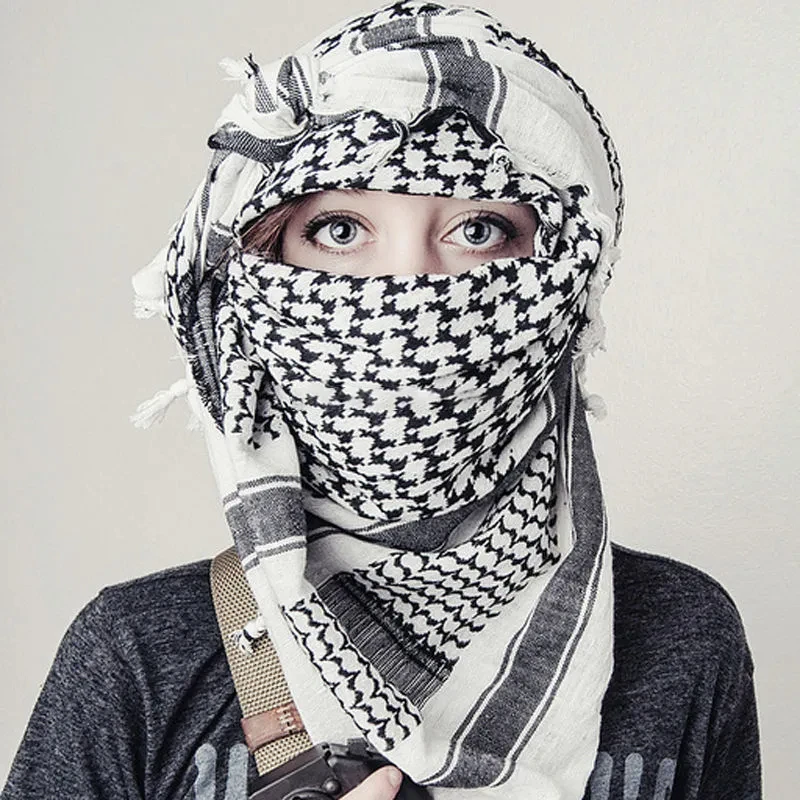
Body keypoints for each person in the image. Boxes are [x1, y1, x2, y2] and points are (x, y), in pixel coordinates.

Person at [1, 2, 761, 799]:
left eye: (478, 231)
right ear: (254, 279)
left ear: (566, 285)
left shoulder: (682, 638)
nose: (409, 292)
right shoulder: (136, 655)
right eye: (339, 231)